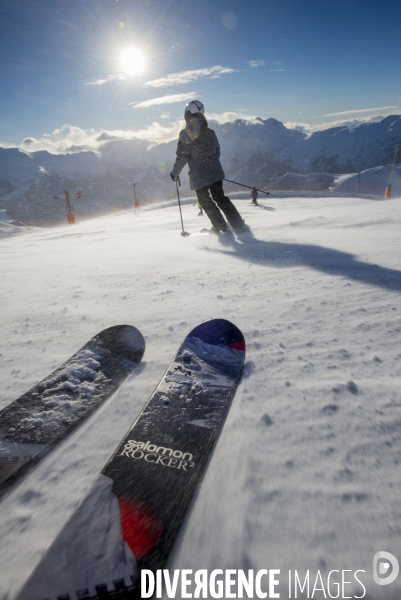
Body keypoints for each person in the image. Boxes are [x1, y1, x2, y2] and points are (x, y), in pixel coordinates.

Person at [170, 100, 246, 233]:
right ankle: (238, 224)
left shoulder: (185, 133)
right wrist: (211, 165)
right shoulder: (210, 132)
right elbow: (217, 152)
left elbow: (182, 156)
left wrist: (175, 172)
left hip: (199, 175)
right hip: (215, 172)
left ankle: (220, 227)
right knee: (220, 197)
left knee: (205, 201)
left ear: (188, 114)